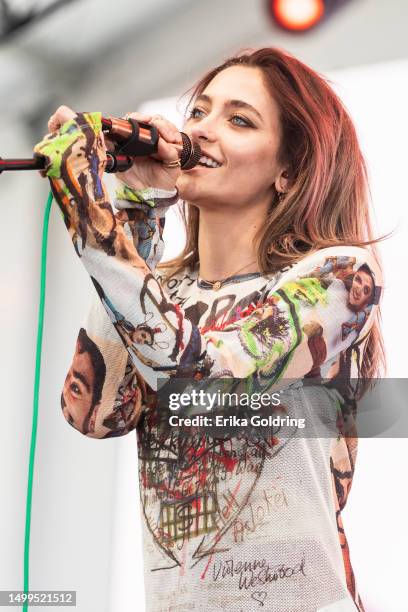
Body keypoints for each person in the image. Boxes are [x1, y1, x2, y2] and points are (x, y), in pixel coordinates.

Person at [34, 47, 387, 612]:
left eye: (239, 119)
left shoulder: (337, 275)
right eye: (199, 112)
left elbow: (202, 373)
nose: (203, 131)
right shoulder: (160, 293)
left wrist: (92, 216)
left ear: (290, 171)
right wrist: (138, 210)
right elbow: (94, 414)